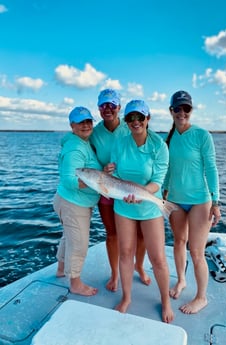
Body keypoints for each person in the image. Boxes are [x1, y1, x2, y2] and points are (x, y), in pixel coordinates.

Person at [110, 99, 174, 323]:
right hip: (123, 205)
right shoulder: (120, 142)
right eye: (130, 118)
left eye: (140, 117)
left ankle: (165, 301)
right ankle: (127, 297)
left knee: (158, 259)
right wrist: (111, 174)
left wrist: (142, 193)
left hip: (150, 205)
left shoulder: (159, 146)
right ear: (126, 121)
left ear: (148, 119)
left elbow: (158, 180)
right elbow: (114, 173)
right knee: (125, 252)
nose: (135, 122)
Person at [163, 90, 221, 314]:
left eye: (186, 108)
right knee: (179, 242)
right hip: (175, 200)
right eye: (177, 109)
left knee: (196, 251)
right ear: (171, 111)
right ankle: (180, 280)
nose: (182, 113)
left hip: (200, 201)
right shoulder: (168, 138)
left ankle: (201, 297)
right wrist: (164, 193)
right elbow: (167, 170)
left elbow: (211, 169)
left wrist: (216, 201)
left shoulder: (202, 135)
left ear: (191, 110)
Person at [90, 89, 150, 292]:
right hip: (107, 188)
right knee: (112, 234)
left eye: (112, 105)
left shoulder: (130, 127)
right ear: (99, 108)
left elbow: (148, 151)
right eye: (103, 105)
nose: (108, 109)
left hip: (131, 189)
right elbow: (84, 156)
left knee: (141, 234)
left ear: (119, 108)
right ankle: (115, 274)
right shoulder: (94, 132)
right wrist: (102, 170)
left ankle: (139, 267)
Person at [54, 106, 102, 296]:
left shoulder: (83, 141)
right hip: (73, 204)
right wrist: (96, 183)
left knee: (68, 237)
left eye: (88, 121)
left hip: (69, 200)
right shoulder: (75, 147)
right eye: (80, 122)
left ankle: (60, 269)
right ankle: (75, 283)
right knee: (79, 243)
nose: (85, 125)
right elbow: (69, 180)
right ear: (72, 125)